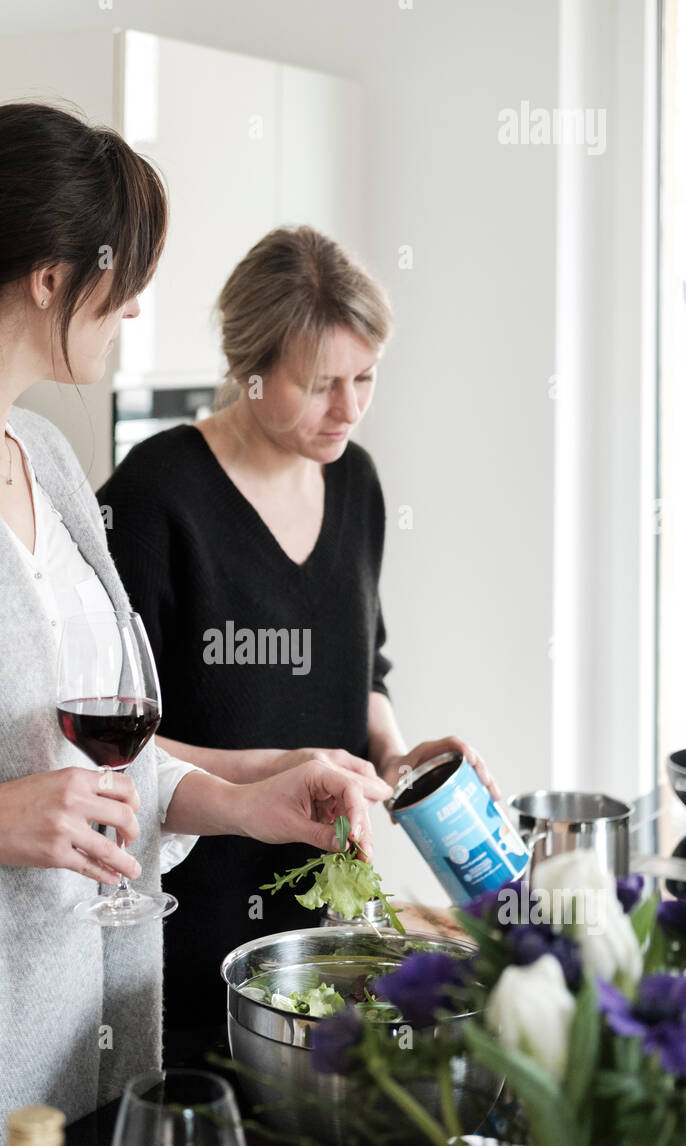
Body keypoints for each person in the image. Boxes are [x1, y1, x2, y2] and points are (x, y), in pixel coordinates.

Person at [0, 104, 388, 1146]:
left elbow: (95, 753)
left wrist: (236, 799)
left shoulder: (53, 464)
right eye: (124, 287)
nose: (137, 315)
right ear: (48, 281)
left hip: (79, 1037)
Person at [98, 227, 497, 1063]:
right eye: (320, 385)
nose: (348, 409)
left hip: (327, 926)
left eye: (366, 378)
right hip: (188, 928)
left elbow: (363, 664)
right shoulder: (153, 496)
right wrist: (269, 766)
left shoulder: (356, 480)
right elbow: (108, 739)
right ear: (249, 368)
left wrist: (393, 757)